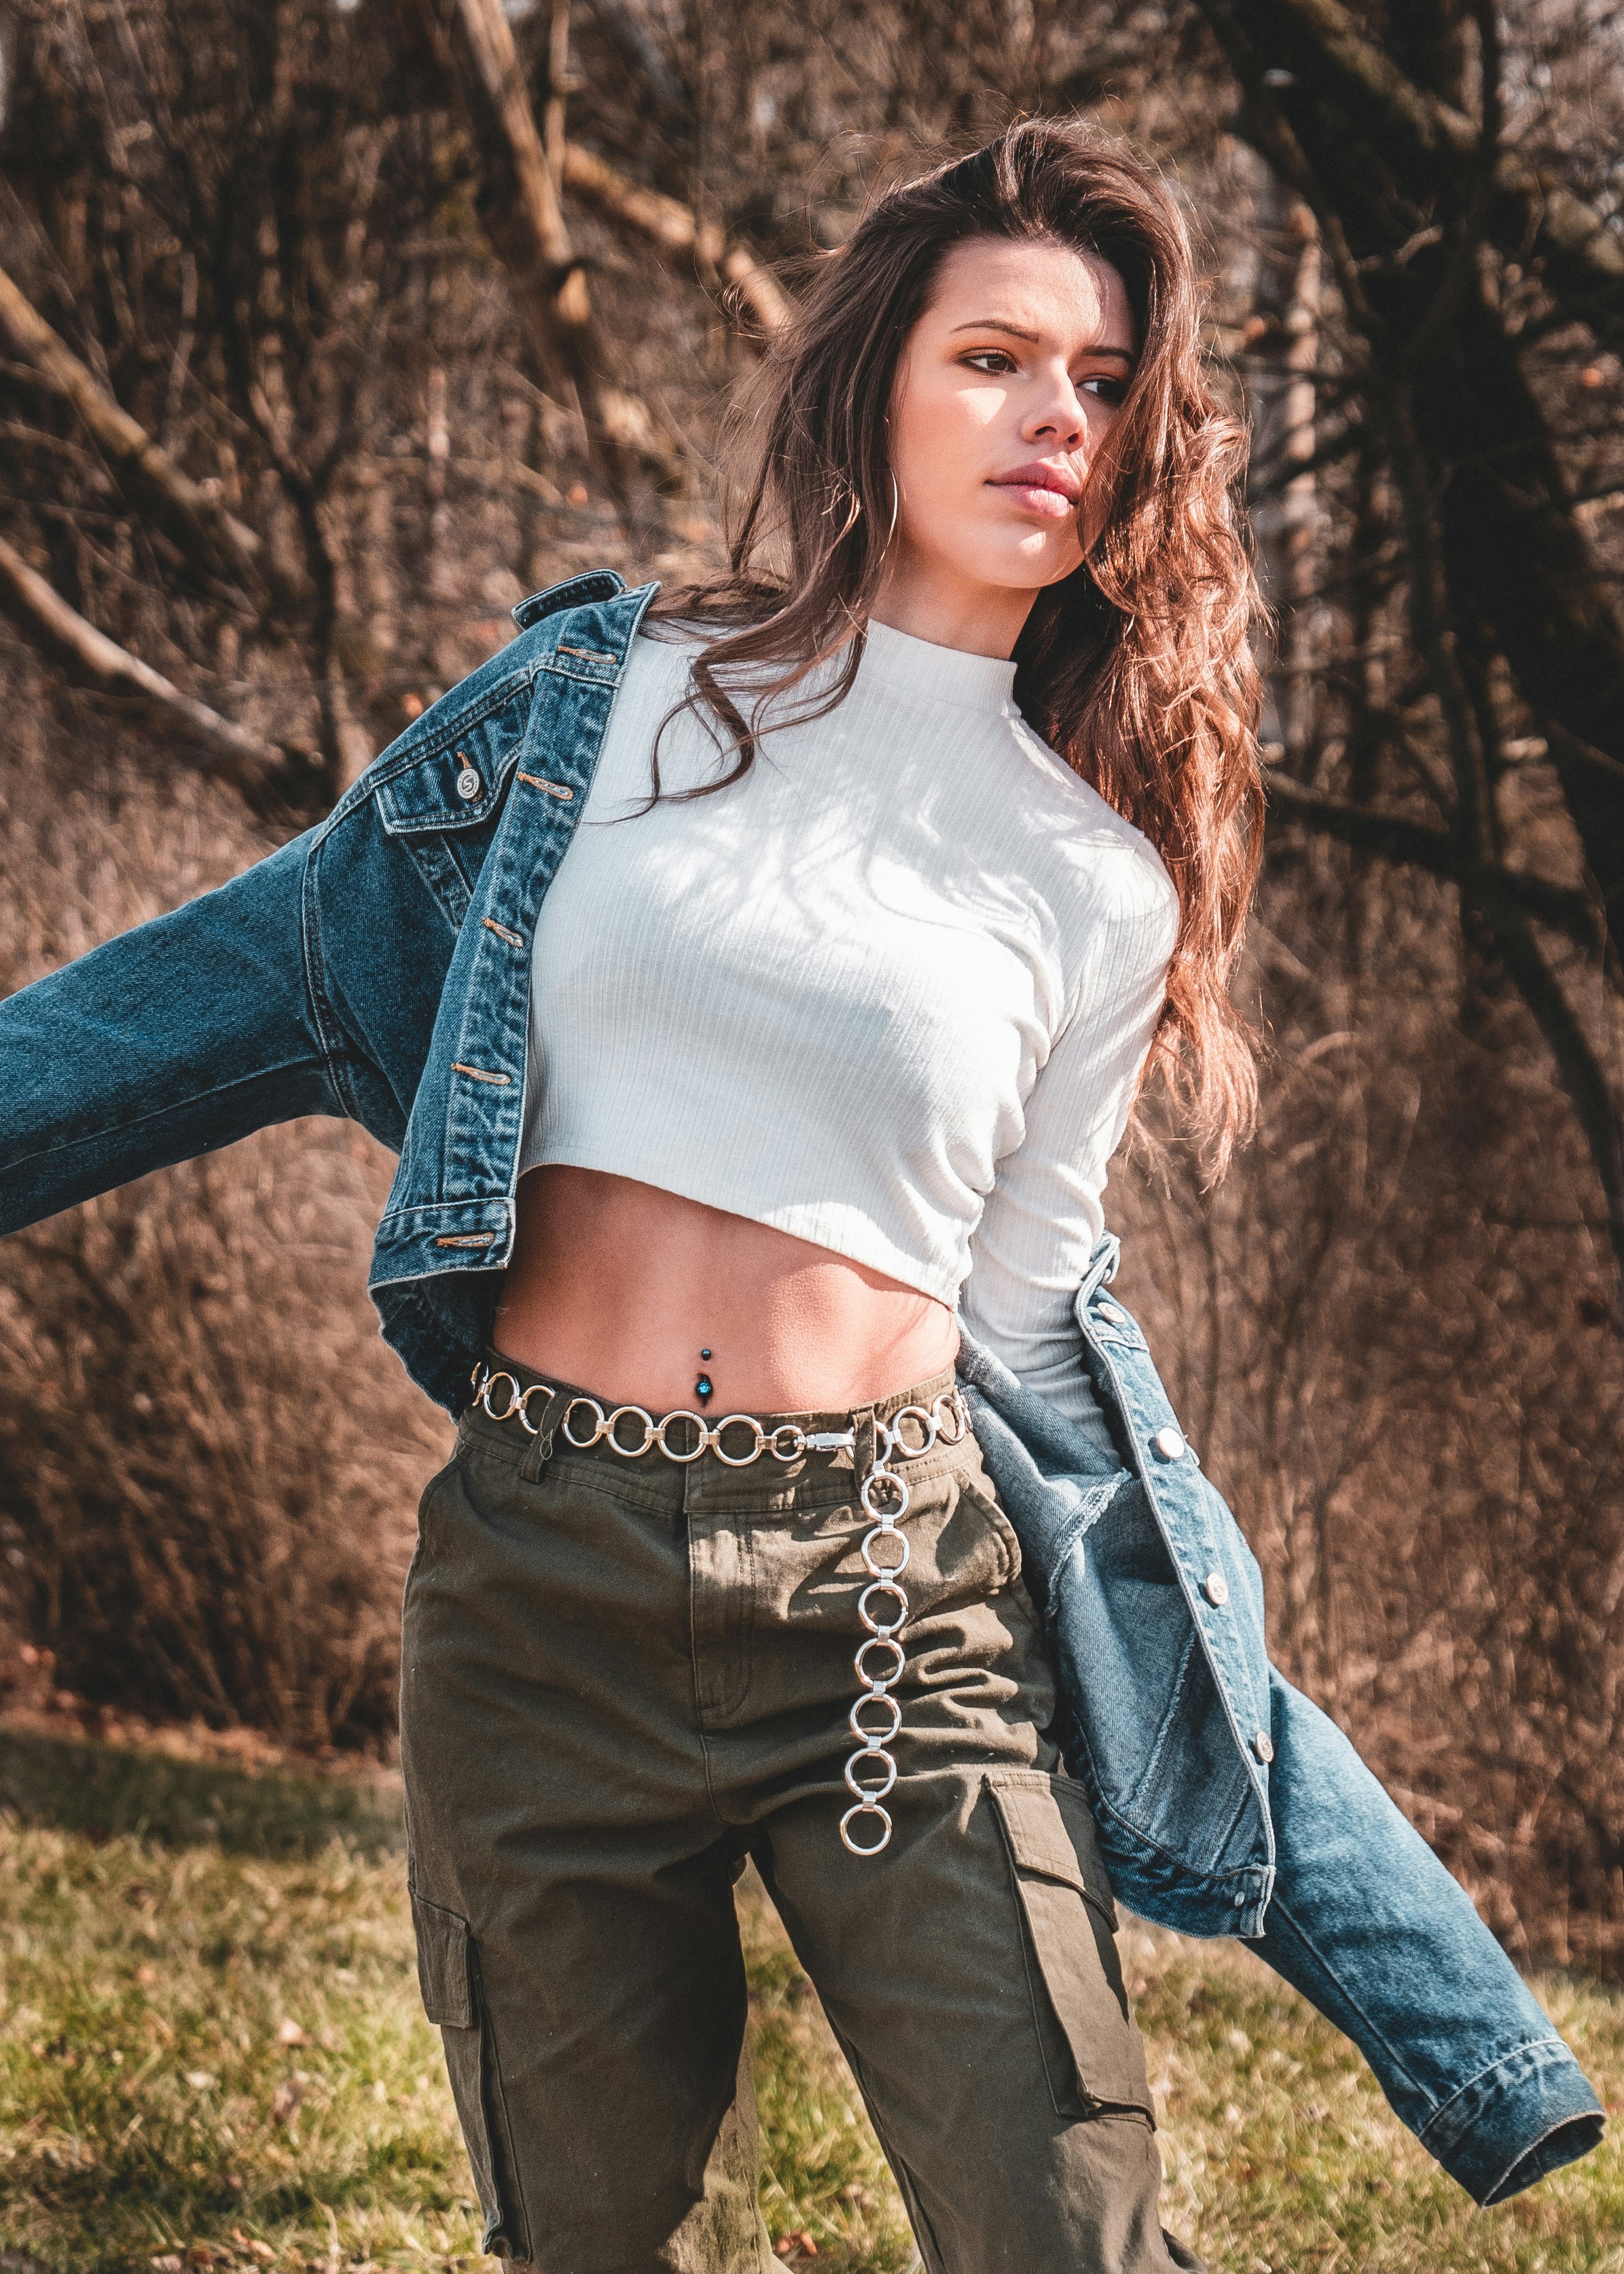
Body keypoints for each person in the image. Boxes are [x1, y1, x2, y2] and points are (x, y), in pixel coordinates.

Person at [0, 120, 1603, 2273]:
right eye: (997, 357)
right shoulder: (605, 703)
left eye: (1108, 382)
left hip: (894, 1607)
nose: (1057, 414)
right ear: (875, 386)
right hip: (541, 1587)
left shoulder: (1092, 879)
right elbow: (224, 984)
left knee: (1068, 2230)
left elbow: (1033, 1327)